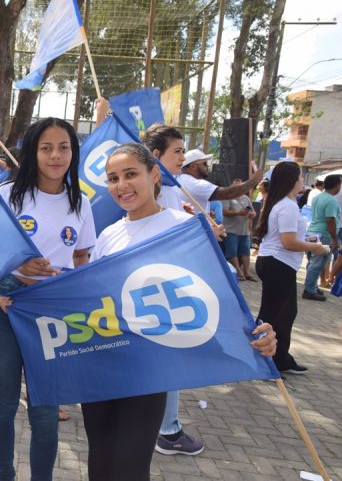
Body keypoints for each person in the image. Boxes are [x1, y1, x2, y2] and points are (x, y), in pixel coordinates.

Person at [81, 142, 277, 480]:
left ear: (155, 174)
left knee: (129, 469)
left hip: (150, 372)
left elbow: (221, 296)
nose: (121, 186)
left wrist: (259, 332)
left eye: (131, 174)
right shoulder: (108, 236)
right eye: (113, 178)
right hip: (103, 368)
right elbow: (89, 299)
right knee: (99, 464)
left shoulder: (185, 227)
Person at [0, 117, 96, 481]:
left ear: (73, 152)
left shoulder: (82, 203)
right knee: (4, 406)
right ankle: (5, 475)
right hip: (6, 306)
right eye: (46, 147)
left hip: (52, 312)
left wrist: (70, 285)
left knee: (45, 412)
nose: (55, 155)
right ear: (33, 152)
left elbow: (81, 258)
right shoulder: (9, 194)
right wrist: (16, 265)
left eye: (64, 147)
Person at [144, 124, 205, 456]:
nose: (183, 157)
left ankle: (165, 427)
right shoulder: (158, 191)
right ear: (156, 156)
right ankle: (167, 431)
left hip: (167, 287)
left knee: (166, 359)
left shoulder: (171, 190)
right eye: (178, 151)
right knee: (168, 359)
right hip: (159, 289)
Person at [255, 161, 328, 375]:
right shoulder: (286, 206)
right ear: (291, 180)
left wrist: (308, 241)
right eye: (299, 177)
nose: (302, 181)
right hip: (278, 263)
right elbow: (288, 242)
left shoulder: (283, 203)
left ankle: (281, 358)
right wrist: (315, 247)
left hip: (278, 263)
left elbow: (289, 238)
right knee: (272, 315)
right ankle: (267, 361)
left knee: (284, 313)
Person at [178, 149, 264, 214]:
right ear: (193, 166)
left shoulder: (181, 180)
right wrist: (254, 180)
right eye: (204, 164)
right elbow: (229, 193)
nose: (207, 166)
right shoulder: (194, 184)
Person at [302, 174, 341, 301]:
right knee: (318, 263)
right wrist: (335, 240)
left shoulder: (318, 197)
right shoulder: (331, 201)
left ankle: (311, 286)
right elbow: (330, 220)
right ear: (337, 185)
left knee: (313, 262)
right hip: (324, 234)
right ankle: (309, 290)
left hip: (312, 231)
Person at [222, 179, 257, 281]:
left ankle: (247, 272)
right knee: (232, 252)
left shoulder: (246, 198)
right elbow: (224, 211)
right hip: (230, 230)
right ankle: (238, 272)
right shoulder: (226, 197)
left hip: (244, 231)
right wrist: (238, 213)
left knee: (245, 252)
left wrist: (252, 214)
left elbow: (253, 211)